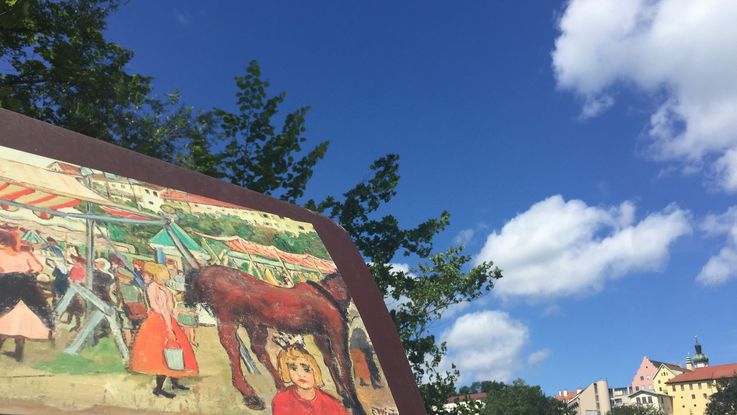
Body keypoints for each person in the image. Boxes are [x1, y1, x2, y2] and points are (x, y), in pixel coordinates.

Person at [129, 262, 198, 398]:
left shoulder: (164, 287)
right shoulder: (153, 287)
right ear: (157, 274)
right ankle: (158, 388)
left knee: (178, 351)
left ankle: (175, 381)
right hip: (159, 321)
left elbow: (171, 306)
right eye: (165, 272)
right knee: (163, 355)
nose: (168, 274)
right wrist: (169, 326)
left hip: (169, 319)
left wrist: (175, 318)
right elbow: (159, 308)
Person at [0, 229, 53, 362]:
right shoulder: (25, 254)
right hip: (25, 287)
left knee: (5, 317)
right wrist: (27, 270)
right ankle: (18, 353)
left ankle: (14, 351)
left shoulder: (1, 254)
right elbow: (39, 268)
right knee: (21, 320)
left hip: (8, 286)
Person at [271, 346, 350, 415]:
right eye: (293, 369)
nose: (301, 374)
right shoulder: (281, 400)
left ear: (314, 370)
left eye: (306, 369)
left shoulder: (332, 404)